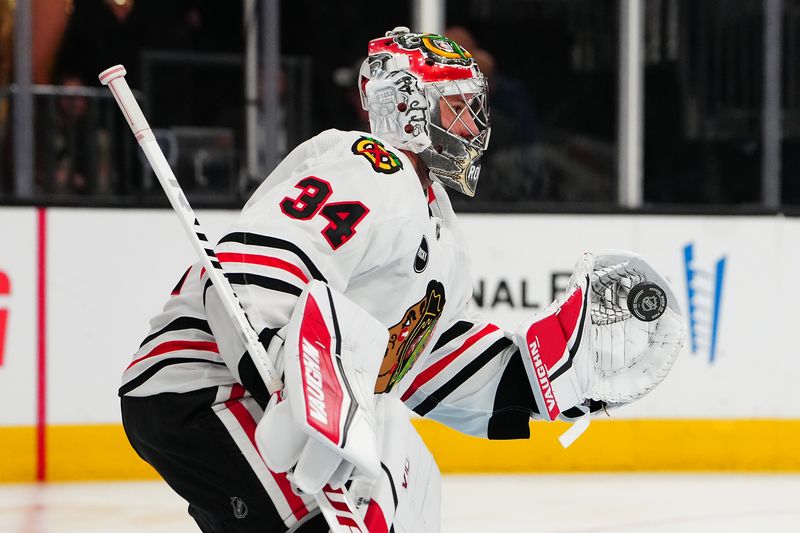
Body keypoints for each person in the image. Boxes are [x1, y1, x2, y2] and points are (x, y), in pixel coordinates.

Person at [119, 27, 684, 533]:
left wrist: (533, 380)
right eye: (458, 108)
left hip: (255, 402)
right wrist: (291, 379)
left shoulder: (439, 229)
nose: (476, 126)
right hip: (208, 385)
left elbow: (420, 362)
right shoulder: (369, 165)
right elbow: (263, 262)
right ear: (409, 110)